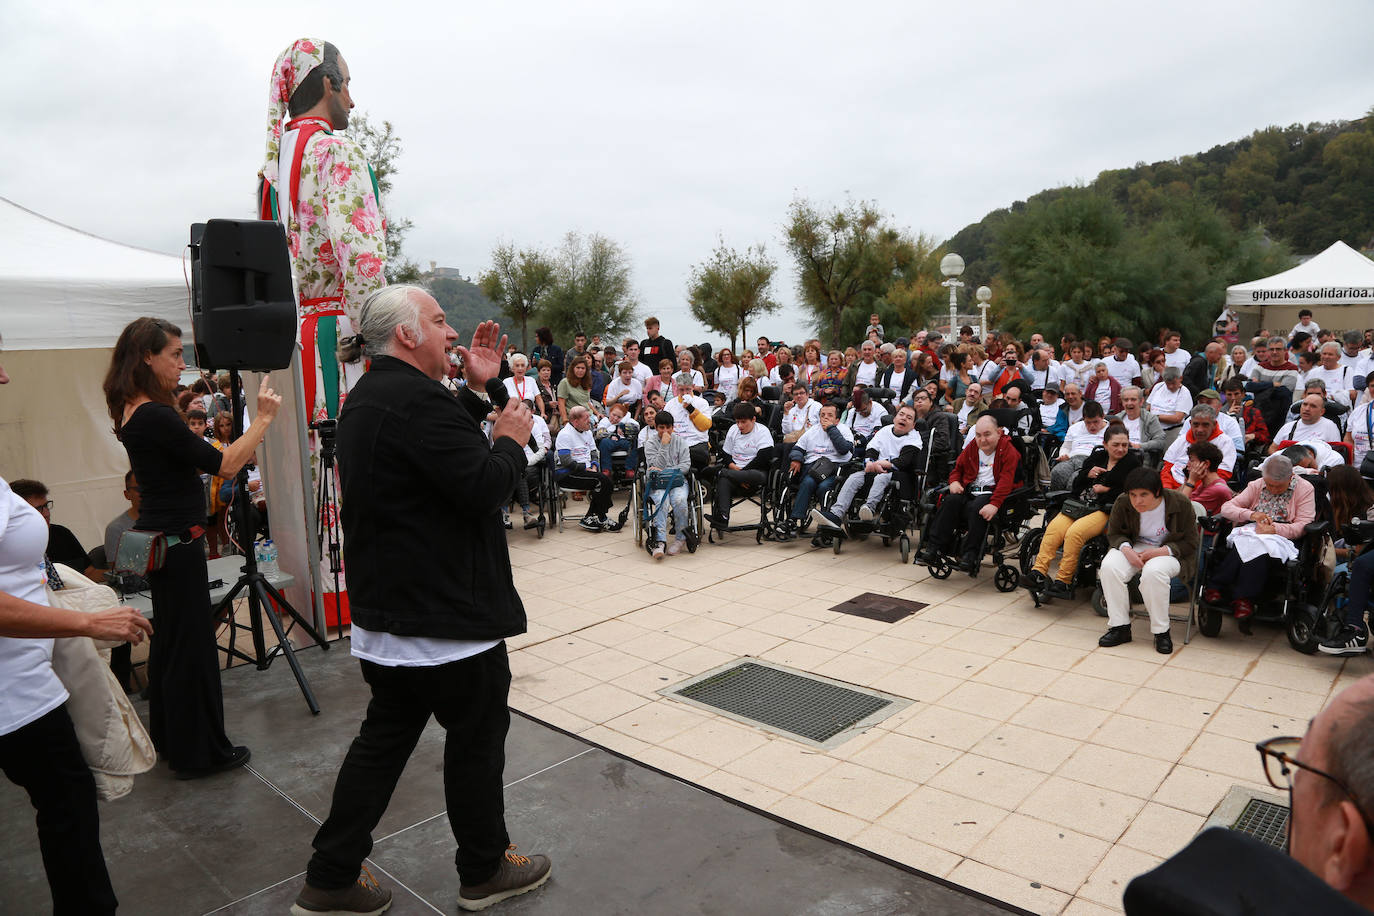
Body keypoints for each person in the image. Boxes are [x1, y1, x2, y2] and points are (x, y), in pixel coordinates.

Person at [293, 287, 550, 914]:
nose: (452, 334)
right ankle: (485, 869)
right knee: (475, 745)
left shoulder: (369, 399)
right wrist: (510, 435)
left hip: (391, 618)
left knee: (382, 745)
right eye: (439, 322)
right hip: (449, 621)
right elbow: (484, 485)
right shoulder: (416, 404)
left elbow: (432, 447)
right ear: (406, 335)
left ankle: (330, 876)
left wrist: (478, 389)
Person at [102, 317, 280, 777]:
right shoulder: (155, 414)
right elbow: (225, 464)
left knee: (173, 648)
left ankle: (173, 741)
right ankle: (198, 753)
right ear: (147, 355)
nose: (183, 364)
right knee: (191, 653)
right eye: (175, 354)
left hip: (165, 542)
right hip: (177, 546)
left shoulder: (130, 408)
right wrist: (261, 418)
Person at [0, 476, 152, 915]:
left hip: (27, 678)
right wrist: (87, 624)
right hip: (16, 691)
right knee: (67, 805)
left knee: (67, 803)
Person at [258, 39, 385, 432]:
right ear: (328, 86)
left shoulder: (272, 175)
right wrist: (379, 340)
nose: (351, 99)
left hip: (297, 344)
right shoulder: (335, 151)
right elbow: (363, 260)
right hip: (344, 344)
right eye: (346, 83)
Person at [1204, 454, 1316, 634]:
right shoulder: (1257, 485)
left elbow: (1303, 525)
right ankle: (1240, 598)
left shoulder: (1305, 489)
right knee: (1246, 543)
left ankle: (1224, 590)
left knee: (1261, 549)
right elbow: (1227, 508)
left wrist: (1276, 529)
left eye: (1278, 486)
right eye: (1269, 484)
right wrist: (1251, 515)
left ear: (1291, 477)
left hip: (1283, 534)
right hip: (1253, 529)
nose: (1272, 489)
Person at [1098, 466, 1198, 655]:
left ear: (1158, 492)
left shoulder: (1180, 503)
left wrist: (1161, 551)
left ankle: (1161, 632)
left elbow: (1191, 543)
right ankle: (1119, 627)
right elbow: (1114, 533)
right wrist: (1126, 549)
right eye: (1133, 495)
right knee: (1109, 567)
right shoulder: (1123, 501)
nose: (1138, 500)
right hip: (1135, 546)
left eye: (1144, 494)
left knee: (1153, 573)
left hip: (1171, 551)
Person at [1031, 425, 1140, 598]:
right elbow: (1077, 484)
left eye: (1125, 445)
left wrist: (1106, 490)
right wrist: (1088, 474)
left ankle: (1063, 581)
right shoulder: (1097, 456)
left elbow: (1131, 490)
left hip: (1107, 509)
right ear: (1105, 444)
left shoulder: (1132, 463)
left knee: (1075, 533)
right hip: (1079, 504)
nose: (1121, 449)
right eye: (1116, 444)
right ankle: (1038, 572)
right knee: (1054, 529)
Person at [917, 415, 1021, 574]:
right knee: (950, 501)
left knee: (977, 507)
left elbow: (1006, 481)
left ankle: (970, 554)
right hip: (970, 489)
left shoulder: (1008, 450)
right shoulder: (973, 446)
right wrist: (954, 482)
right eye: (978, 435)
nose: (982, 440)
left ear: (999, 432)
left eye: (987, 434)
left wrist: (994, 504)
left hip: (993, 493)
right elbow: (957, 469)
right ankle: (934, 548)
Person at [813, 404, 921, 532]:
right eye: (901, 415)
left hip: (896, 474)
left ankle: (869, 508)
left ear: (913, 425)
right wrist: (869, 463)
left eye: (909, 418)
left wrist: (880, 464)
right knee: (854, 478)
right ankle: (836, 514)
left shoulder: (914, 438)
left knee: (881, 478)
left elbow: (903, 461)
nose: (903, 419)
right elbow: (872, 449)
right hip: (874, 470)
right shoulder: (885, 431)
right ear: (895, 418)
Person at [8, 480, 102, 583]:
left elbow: (88, 573)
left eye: (46, 505)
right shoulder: (8, 549)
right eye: (39, 509)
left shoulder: (61, 534)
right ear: (16, 512)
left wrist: (117, 575)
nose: (47, 513)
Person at [783, 403, 854, 536]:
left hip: (834, 469)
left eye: (829, 415)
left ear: (837, 420)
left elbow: (844, 449)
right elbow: (798, 448)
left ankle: (826, 524)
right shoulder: (813, 430)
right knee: (807, 482)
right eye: (822, 415)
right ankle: (793, 520)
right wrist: (797, 459)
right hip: (815, 469)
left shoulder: (844, 430)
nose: (825, 418)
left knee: (824, 487)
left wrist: (832, 429)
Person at [707, 402, 776, 532]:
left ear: (753, 419)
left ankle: (722, 473)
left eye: (744, 422)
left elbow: (763, 457)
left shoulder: (762, 431)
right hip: (735, 472)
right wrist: (733, 468)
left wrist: (742, 474)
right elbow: (726, 453)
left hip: (756, 473)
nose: (740, 426)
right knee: (724, 480)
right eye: (738, 422)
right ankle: (722, 517)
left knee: (723, 474)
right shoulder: (733, 430)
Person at [643, 410, 692, 559]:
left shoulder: (681, 442)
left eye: (668, 427)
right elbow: (654, 466)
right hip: (657, 482)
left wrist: (668, 471)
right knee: (662, 502)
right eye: (661, 428)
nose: (665, 431)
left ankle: (680, 538)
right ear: (656, 427)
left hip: (677, 481)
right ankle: (660, 541)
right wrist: (664, 445)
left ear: (673, 427)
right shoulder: (650, 443)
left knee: (679, 501)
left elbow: (686, 465)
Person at [1161, 405, 1237, 488]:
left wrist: (1189, 489)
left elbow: (1222, 475)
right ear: (1190, 423)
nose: (1200, 430)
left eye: (1205, 425)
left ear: (1214, 424)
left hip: (1201, 492)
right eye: (1196, 424)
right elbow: (1167, 468)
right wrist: (1167, 490)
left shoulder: (1225, 442)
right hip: (1172, 489)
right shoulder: (1182, 440)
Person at [1051, 401, 1109, 490]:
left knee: (1074, 479)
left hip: (1092, 461)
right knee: (1057, 472)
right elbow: (1066, 446)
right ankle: (1055, 501)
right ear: (1083, 419)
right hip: (1072, 458)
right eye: (1088, 422)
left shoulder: (1110, 430)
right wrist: (1063, 455)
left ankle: (1070, 501)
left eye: (1095, 422)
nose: (1092, 426)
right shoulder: (1075, 427)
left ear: (1103, 417)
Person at [664, 372, 713, 471]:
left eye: (688, 389)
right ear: (677, 388)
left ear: (693, 387)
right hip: (677, 443)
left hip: (697, 443)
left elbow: (705, 426)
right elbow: (665, 427)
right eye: (681, 390)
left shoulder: (702, 403)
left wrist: (691, 409)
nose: (685, 393)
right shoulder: (670, 404)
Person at [1179, 441, 1232, 514]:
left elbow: (1180, 509)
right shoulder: (1205, 485)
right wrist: (1186, 481)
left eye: (1191, 460)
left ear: (1206, 464)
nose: (1187, 465)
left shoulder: (1217, 490)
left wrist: (1190, 482)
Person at [594, 401, 638, 480]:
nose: (615, 418)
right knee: (604, 443)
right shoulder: (604, 421)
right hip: (610, 442)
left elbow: (636, 429)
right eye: (613, 415)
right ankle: (606, 469)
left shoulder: (628, 421)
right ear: (610, 413)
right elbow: (600, 434)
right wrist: (611, 435)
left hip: (624, 441)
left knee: (634, 443)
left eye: (619, 417)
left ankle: (629, 469)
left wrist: (622, 425)